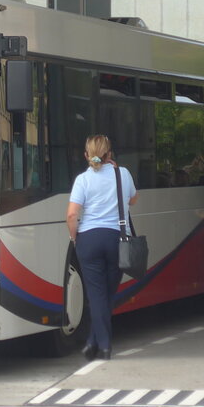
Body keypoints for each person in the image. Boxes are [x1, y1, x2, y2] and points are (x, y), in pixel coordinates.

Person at [65, 134, 137, 361]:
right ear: (109, 154)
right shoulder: (122, 174)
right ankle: (95, 342)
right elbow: (133, 200)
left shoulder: (82, 180)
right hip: (117, 239)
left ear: (87, 155)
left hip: (89, 240)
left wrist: (74, 237)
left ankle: (101, 345)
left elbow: (72, 214)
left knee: (97, 295)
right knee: (107, 294)